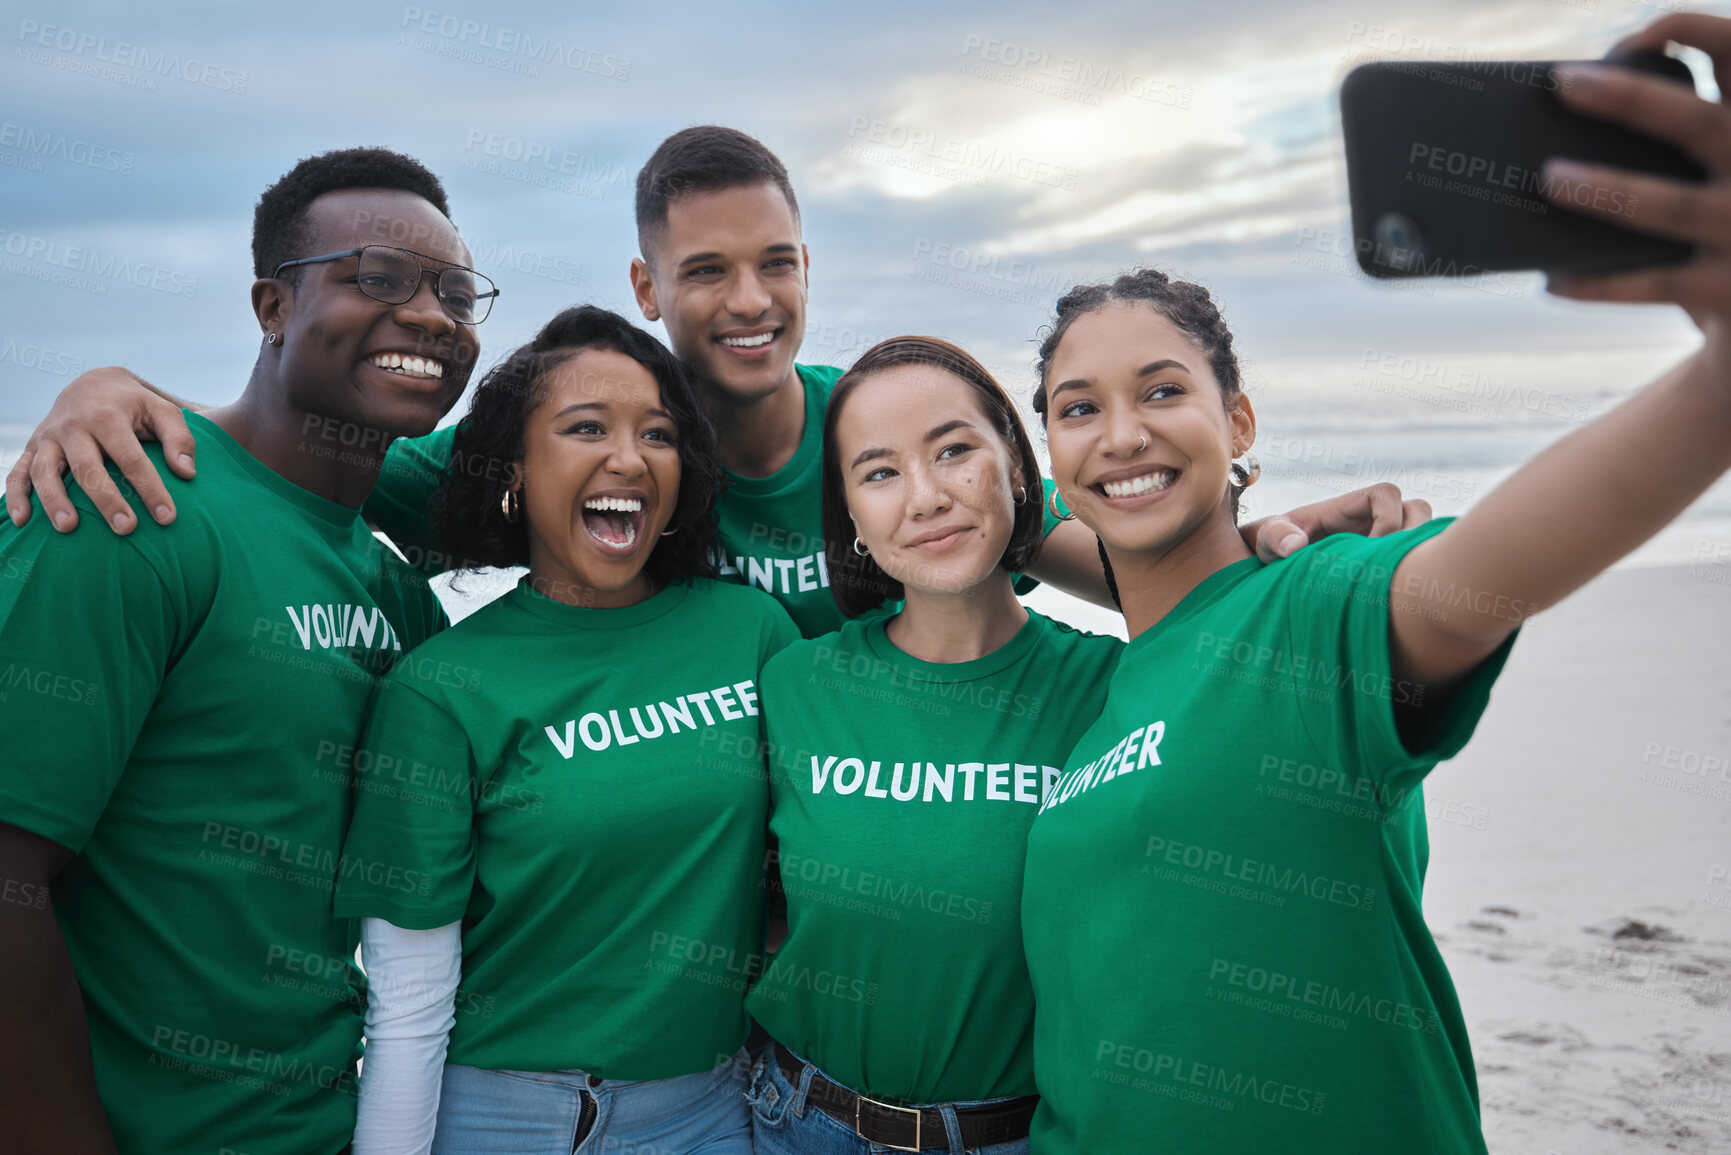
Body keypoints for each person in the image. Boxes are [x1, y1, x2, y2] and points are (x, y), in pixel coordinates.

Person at [1018, 16, 1731, 1153]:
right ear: (1049, 451)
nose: (1119, 435)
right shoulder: (1093, 689)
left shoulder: (1316, 604)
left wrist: (1719, 378)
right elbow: (978, 510)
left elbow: (1496, 565)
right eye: (1076, 408)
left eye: (1161, 391)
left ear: (1238, 421)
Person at [5, 129, 1424, 636]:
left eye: (776, 262)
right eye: (704, 271)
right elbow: (307, 465)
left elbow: (1113, 568)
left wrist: (1284, 546)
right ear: (646, 289)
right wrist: (113, 389)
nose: (746, 300)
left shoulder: (882, 446)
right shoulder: (593, 458)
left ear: (805, 268)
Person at [0, 147, 487, 1154]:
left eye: (455, 291)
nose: (433, 315)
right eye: (379, 279)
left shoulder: (396, 591)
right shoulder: (119, 510)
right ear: (273, 307)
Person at [334, 305, 798, 1154]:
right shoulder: (441, 687)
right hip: (501, 1118)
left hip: (715, 1110)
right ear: (515, 463)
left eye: (657, 434)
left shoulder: (753, 631)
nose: (627, 457)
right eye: (585, 428)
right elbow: (407, 991)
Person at [744, 337, 1124, 1154]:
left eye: (954, 452)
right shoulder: (793, 683)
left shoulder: (1108, 688)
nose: (924, 498)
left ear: (1019, 469)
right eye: (878, 472)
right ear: (847, 510)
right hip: (795, 1121)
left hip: (1014, 1133)